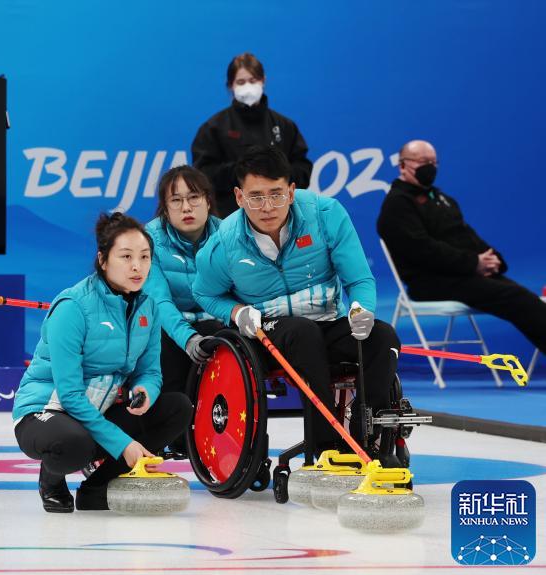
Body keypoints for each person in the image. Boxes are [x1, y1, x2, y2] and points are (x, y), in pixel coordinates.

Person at [192, 146, 398, 461]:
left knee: (383, 337)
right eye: (256, 197)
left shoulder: (326, 215)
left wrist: (361, 308)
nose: (267, 207)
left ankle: (365, 437)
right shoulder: (223, 244)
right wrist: (236, 312)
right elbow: (205, 293)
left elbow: (359, 280)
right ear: (238, 196)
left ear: (291, 191)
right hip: (268, 333)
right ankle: (326, 446)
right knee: (302, 333)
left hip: (327, 323)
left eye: (276, 195)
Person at [12, 213, 194, 513]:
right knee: (75, 444)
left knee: (177, 407)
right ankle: (51, 479)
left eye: (145, 257)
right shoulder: (72, 307)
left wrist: (145, 390)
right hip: (46, 411)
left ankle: (97, 489)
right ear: (103, 260)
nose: (137, 266)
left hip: (98, 409)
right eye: (126, 257)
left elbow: (150, 371)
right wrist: (124, 444)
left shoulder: (148, 305)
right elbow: (69, 395)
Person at [377, 140, 546, 353]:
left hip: (462, 274)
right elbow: (423, 251)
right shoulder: (397, 204)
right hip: (430, 281)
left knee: (525, 297)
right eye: (422, 162)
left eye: (433, 162)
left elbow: (466, 237)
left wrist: (493, 260)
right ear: (402, 165)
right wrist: (474, 263)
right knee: (517, 298)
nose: (430, 167)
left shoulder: (442, 199)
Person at [142, 165, 224, 455]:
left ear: (208, 201)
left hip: (213, 321)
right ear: (164, 208)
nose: (186, 207)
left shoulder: (228, 235)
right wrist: (188, 339)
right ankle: (175, 433)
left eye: (194, 198)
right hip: (169, 326)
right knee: (164, 341)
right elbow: (159, 303)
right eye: (175, 200)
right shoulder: (148, 240)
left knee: (225, 337)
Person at [191, 53, 312, 218]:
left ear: (263, 81)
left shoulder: (284, 126)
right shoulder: (213, 128)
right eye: (241, 82)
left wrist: (276, 174)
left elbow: (303, 169)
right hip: (229, 218)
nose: (247, 86)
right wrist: (242, 172)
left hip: (280, 217)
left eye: (253, 80)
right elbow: (203, 175)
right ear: (230, 85)